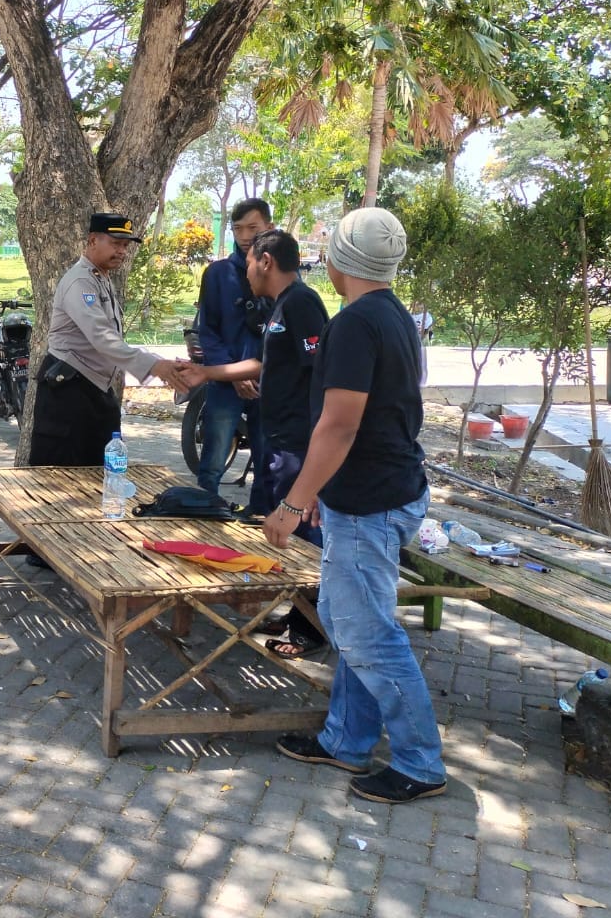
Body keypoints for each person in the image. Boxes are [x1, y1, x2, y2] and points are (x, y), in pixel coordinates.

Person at [267, 207, 446, 805]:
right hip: (379, 490)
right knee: (351, 625)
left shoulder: (354, 325)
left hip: (372, 499)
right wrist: (324, 493)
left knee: (369, 633)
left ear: (341, 259)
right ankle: (346, 739)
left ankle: (420, 762)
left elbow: (338, 427)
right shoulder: (392, 315)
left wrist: (295, 502)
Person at [174, 229, 329, 656]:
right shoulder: (281, 306)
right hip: (278, 440)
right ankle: (300, 612)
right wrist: (208, 373)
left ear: (265, 261)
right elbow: (263, 363)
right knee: (290, 536)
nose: (244, 268)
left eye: (249, 261)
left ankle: (313, 629)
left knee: (305, 537)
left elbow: (319, 371)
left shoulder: (302, 303)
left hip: (298, 443)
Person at [29, 211, 181, 469]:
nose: (122, 251)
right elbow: (102, 338)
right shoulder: (80, 281)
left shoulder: (99, 278)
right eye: (115, 244)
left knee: (102, 471)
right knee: (60, 478)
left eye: (124, 246)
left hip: (95, 389)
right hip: (69, 391)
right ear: (92, 241)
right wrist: (154, 365)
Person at [193, 199, 274, 498]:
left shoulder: (282, 273)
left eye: (252, 228)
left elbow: (285, 333)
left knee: (268, 460)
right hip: (225, 383)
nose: (244, 236)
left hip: (268, 383)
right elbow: (208, 331)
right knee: (212, 461)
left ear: (269, 228)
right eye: (237, 229)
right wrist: (232, 374)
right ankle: (203, 510)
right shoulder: (217, 274)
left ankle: (261, 514)